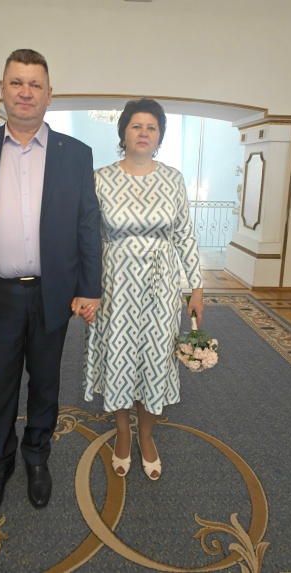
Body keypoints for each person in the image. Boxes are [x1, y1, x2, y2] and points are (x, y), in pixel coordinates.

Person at [0, 49, 102, 519]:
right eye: (17, 83)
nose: (25, 92)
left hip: (54, 293)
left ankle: (36, 457)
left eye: (35, 84)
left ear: (50, 95)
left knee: (46, 383)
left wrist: (90, 287)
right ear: (2, 90)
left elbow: (87, 226)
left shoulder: (76, 154)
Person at [80, 98, 204, 481]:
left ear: (160, 136)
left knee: (155, 356)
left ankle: (146, 435)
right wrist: (84, 288)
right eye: (136, 125)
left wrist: (196, 287)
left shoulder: (173, 179)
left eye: (152, 127)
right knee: (118, 356)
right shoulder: (100, 178)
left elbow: (184, 234)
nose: (144, 133)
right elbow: (86, 239)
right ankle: (122, 431)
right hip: (114, 286)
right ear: (123, 132)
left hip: (161, 287)